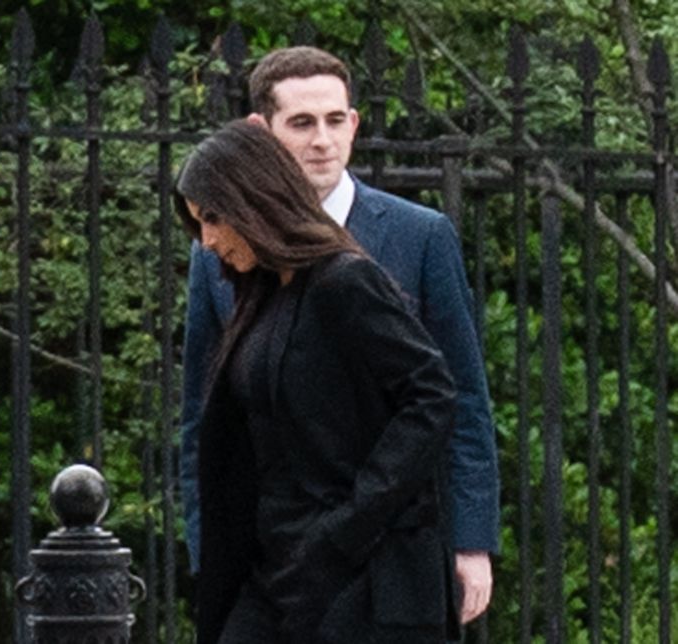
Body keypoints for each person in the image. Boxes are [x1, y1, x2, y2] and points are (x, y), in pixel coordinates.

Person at [179, 46, 499, 627]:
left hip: (370, 552)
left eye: (335, 120)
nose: (322, 140)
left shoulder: (418, 236)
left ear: (354, 123)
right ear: (262, 133)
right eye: (302, 123)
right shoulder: (231, 261)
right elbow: (206, 417)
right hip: (272, 551)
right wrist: (212, 548)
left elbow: (455, 392)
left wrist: (472, 540)